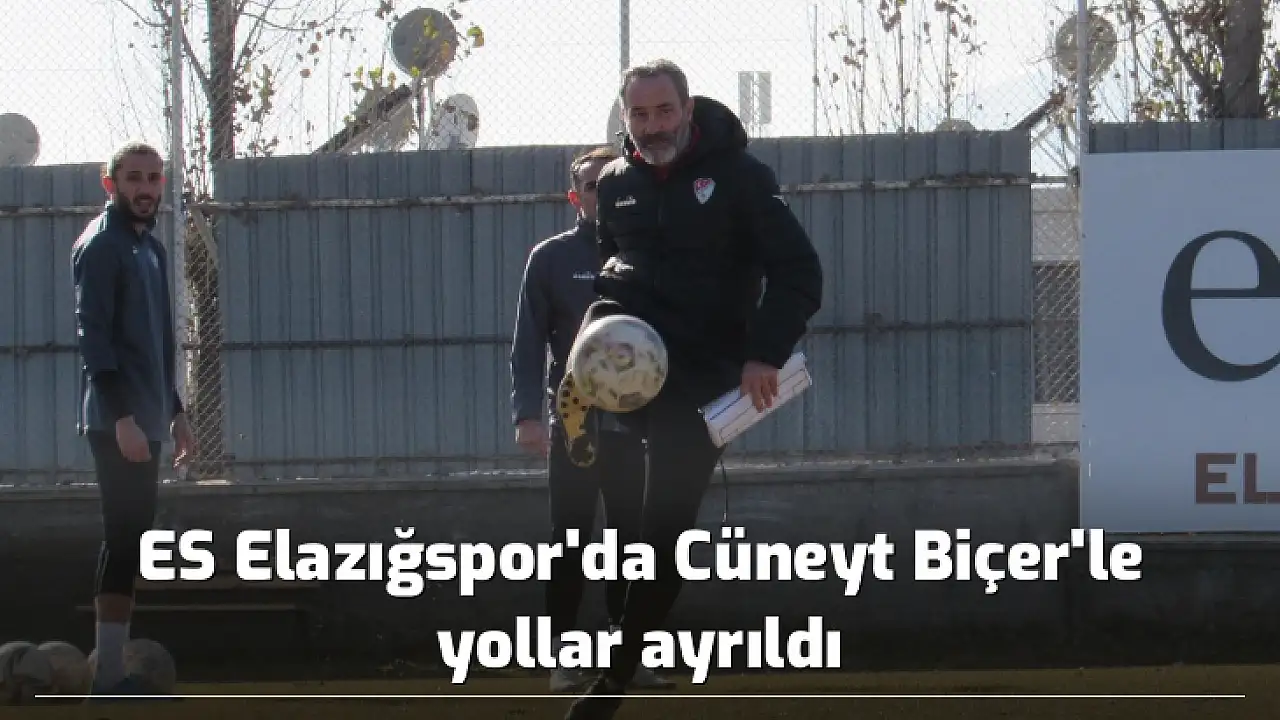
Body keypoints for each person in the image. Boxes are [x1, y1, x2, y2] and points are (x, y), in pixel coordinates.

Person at [561, 60, 824, 719]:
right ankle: (581, 386)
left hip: (704, 384)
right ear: (625, 118)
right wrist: (595, 335)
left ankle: (615, 677)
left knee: (663, 524)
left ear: (686, 109)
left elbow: (799, 271)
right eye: (639, 114)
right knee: (622, 520)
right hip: (632, 376)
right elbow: (614, 272)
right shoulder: (615, 184)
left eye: (664, 111)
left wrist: (764, 354)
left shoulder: (740, 177)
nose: (653, 126)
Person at [510, 146, 676, 693]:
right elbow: (528, 341)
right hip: (573, 427)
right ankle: (563, 657)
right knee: (569, 541)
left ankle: (627, 656)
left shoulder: (646, 256)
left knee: (632, 541)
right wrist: (526, 415)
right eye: (590, 186)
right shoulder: (551, 259)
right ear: (574, 196)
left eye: (611, 185)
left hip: (634, 425)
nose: (600, 195)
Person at [71, 140, 195, 698]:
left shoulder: (151, 248)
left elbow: (157, 342)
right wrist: (121, 417)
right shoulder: (102, 245)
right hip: (116, 421)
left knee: (133, 537)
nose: (145, 189)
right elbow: (93, 337)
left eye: (153, 178)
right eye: (134, 179)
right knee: (123, 537)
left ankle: (110, 671)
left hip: (147, 415)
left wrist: (175, 412)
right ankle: (108, 677)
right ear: (111, 184)